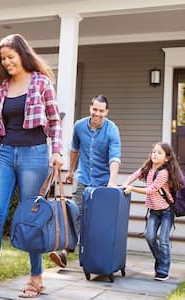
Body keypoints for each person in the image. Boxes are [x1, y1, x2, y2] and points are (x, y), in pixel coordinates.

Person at [0, 34, 63, 300]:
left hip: (34, 154)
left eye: (10, 57)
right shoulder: (2, 89)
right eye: (2, 59)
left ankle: (36, 277)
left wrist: (56, 152)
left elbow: (54, 121)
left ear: (22, 54)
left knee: (31, 217)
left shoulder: (41, 82)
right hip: (5, 155)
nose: (6, 62)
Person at [49, 95, 121, 268]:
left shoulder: (112, 130)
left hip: (102, 182)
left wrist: (112, 180)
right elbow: (74, 150)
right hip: (82, 178)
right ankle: (65, 252)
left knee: (97, 220)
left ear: (106, 112)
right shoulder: (79, 126)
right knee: (75, 214)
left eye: (101, 110)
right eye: (95, 109)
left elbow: (115, 157)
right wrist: (71, 170)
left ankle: (93, 257)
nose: (97, 113)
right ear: (90, 108)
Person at [122, 142, 183, 281]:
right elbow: (134, 175)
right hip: (154, 211)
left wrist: (131, 189)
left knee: (163, 240)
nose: (155, 154)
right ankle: (162, 261)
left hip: (166, 211)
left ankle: (163, 270)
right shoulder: (148, 168)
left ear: (167, 158)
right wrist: (126, 183)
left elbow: (151, 190)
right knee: (149, 237)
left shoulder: (164, 173)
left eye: (159, 153)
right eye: (154, 151)